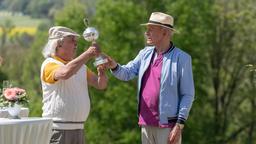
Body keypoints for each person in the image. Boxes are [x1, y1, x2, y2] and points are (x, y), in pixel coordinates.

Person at [106, 12, 195, 144]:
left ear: (165, 32)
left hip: (168, 127)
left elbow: (188, 94)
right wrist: (113, 65)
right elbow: (127, 73)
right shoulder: (144, 53)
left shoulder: (182, 58)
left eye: (151, 29)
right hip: (145, 123)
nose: (146, 33)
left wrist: (179, 125)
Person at [40, 26, 108, 144]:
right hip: (58, 129)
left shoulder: (80, 67)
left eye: (76, 41)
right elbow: (65, 73)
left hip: (79, 128)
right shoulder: (49, 64)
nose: (76, 44)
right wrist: (87, 54)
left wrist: (101, 72)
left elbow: (100, 85)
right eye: (72, 40)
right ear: (58, 44)